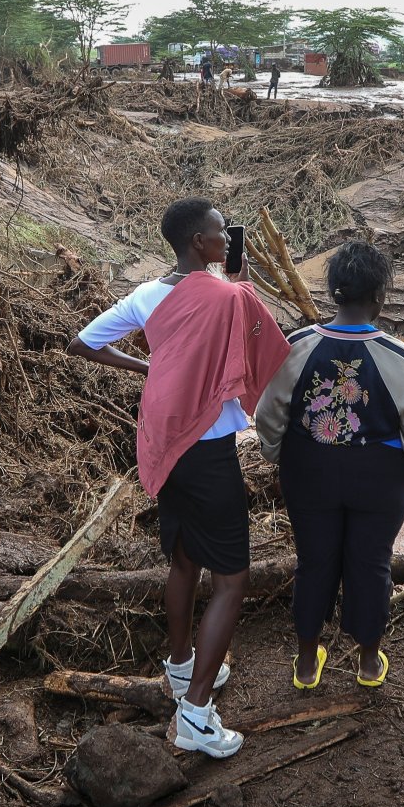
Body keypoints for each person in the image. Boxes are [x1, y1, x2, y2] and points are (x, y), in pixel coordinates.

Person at [68, 199, 288, 757]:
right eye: (219, 233)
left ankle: (181, 667)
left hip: (165, 441)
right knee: (233, 580)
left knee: (185, 558)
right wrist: (241, 290)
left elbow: (83, 343)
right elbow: (273, 355)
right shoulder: (231, 296)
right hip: (209, 449)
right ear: (198, 242)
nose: (224, 240)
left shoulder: (147, 294)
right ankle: (195, 716)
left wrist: (150, 367)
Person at [255, 242, 404, 689]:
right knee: (373, 562)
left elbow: (269, 415)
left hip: (308, 470)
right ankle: (370, 663)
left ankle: (305, 664)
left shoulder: (296, 348)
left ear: (334, 293)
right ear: (379, 297)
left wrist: (278, 455)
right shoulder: (402, 359)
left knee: (314, 561)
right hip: (380, 478)